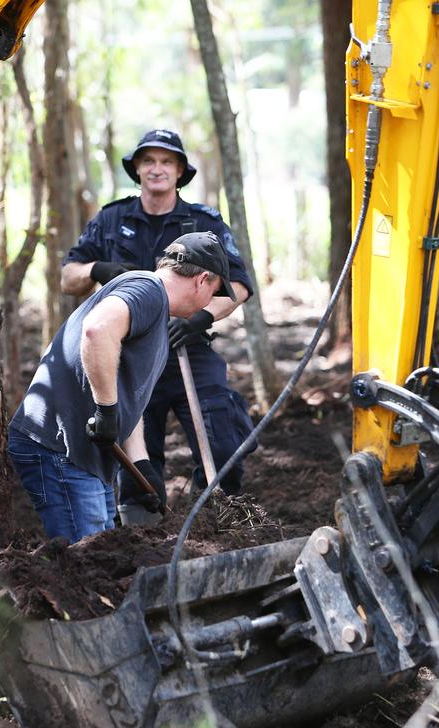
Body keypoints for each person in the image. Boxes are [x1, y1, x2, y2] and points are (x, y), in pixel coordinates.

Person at [61, 128, 256, 517]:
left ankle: (219, 515)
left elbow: (238, 286)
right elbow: (69, 278)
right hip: (130, 355)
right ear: (136, 169)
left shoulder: (204, 221)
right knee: (137, 458)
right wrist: (98, 267)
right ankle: (143, 530)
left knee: (221, 439)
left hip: (188, 347)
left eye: (167, 161)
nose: (157, 169)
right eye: (148, 161)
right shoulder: (111, 219)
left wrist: (199, 318)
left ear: (180, 170)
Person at [8, 232, 236, 543]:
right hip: (60, 447)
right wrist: (105, 409)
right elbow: (97, 330)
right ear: (202, 279)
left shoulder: (156, 313)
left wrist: (141, 466)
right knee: (85, 560)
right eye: (213, 291)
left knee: (100, 548)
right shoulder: (147, 290)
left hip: (85, 455)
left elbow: (129, 394)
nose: (209, 302)